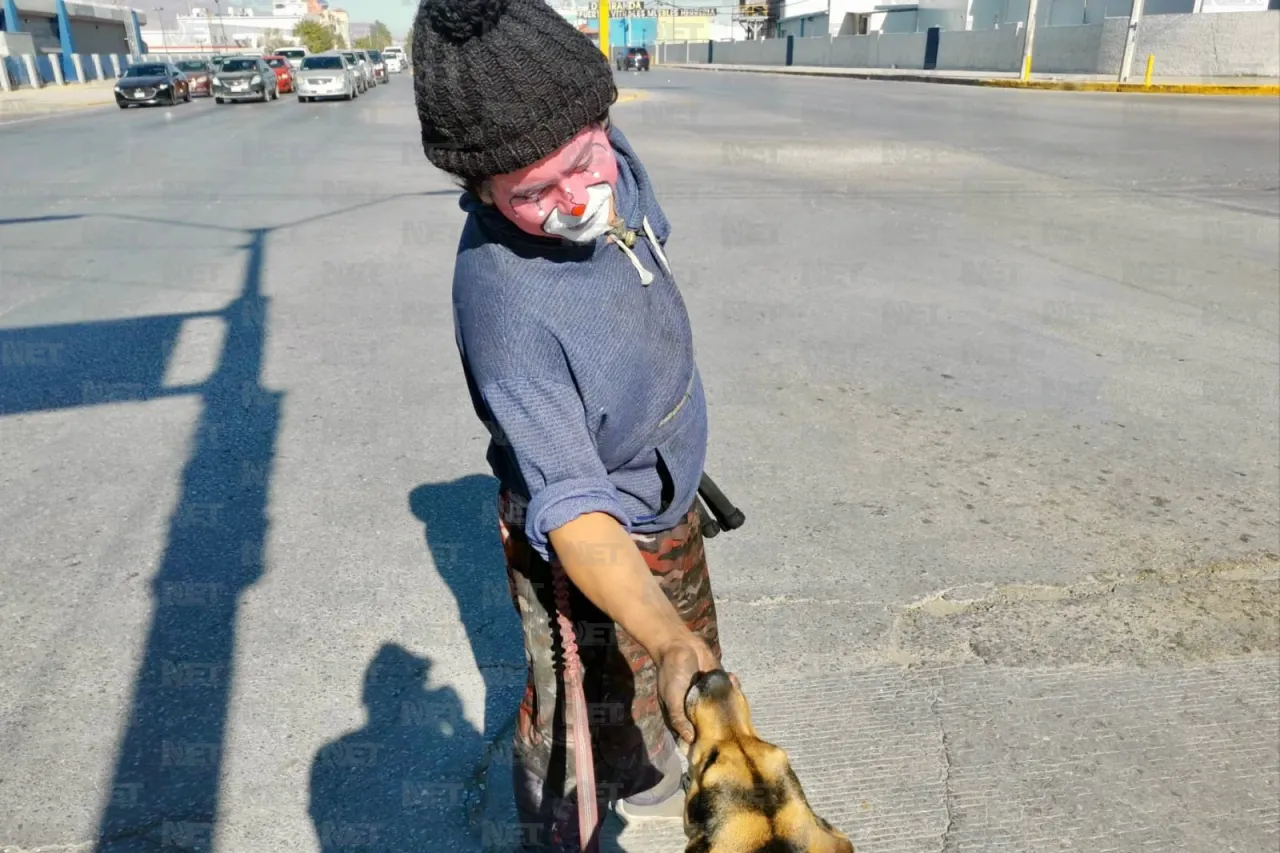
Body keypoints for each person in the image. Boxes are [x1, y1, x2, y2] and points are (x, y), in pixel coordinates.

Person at [412, 0, 729, 845]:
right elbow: (579, 511)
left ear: (601, 120)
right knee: (574, 712)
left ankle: (660, 760)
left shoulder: (611, 162)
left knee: (682, 656)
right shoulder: (505, 306)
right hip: (587, 528)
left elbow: (633, 238)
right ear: (477, 186)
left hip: (667, 498)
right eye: (530, 194)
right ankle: (557, 831)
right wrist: (655, 628)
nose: (576, 200)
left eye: (584, 162)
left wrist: (670, 633)